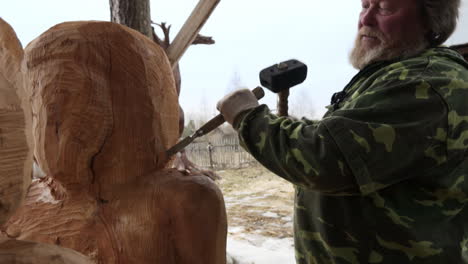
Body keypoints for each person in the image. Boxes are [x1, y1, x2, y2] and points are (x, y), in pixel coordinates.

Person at [217, 0, 468, 263]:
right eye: (365, 5)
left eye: (384, 8)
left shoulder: (427, 83)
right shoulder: (389, 77)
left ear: (431, 20)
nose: (366, 20)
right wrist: (290, 126)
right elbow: (340, 135)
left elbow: (325, 158)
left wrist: (248, 118)